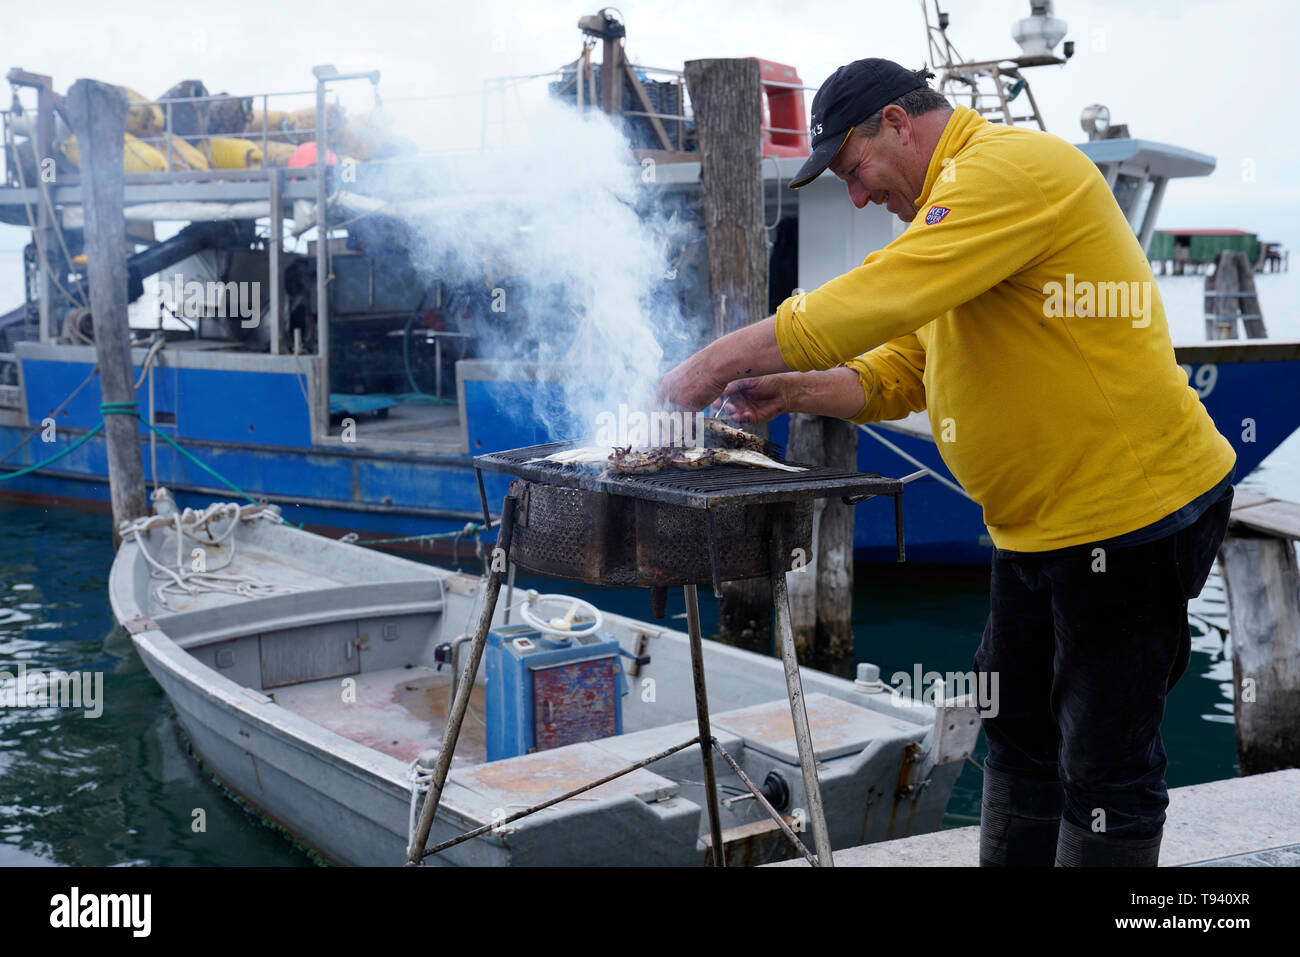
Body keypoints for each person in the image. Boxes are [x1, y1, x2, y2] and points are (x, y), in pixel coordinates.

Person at [656, 58, 1236, 867]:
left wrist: (710, 364)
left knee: (1105, 761)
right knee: (1019, 731)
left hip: (1129, 517)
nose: (858, 197)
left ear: (896, 122)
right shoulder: (953, 217)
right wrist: (784, 390)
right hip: (1034, 530)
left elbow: (875, 297)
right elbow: (901, 370)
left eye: (856, 171)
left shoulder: (1010, 169)